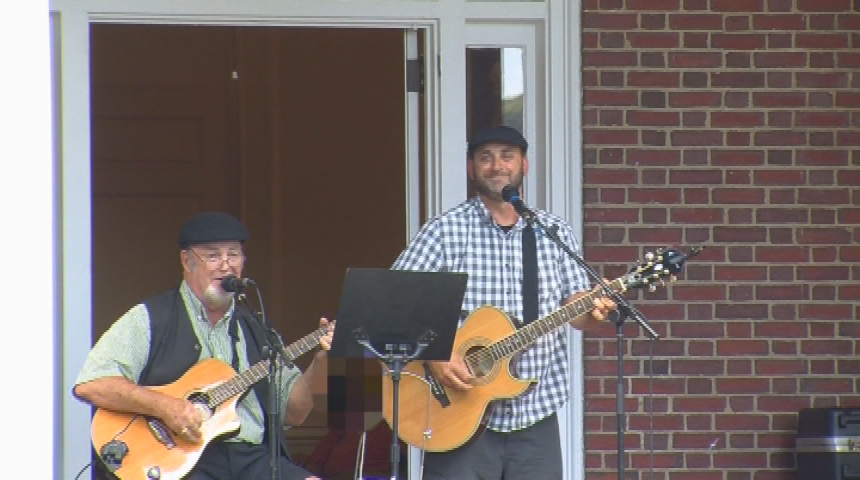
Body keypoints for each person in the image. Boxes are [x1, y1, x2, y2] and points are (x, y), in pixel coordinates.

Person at [391, 125, 617, 479]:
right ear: (471, 168)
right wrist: (434, 353)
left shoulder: (553, 232)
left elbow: (578, 312)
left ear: (524, 165)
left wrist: (596, 311)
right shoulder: (444, 231)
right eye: (486, 157)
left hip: (534, 413)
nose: (497, 165)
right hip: (456, 411)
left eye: (507, 156)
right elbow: (390, 302)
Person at [75, 211, 332, 480]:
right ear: (187, 261)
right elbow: (92, 384)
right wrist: (166, 407)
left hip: (252, 460)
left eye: (233, 255)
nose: (225, 265)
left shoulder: (257, 327)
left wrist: (321, 360)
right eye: (212, 256)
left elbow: (295, 413)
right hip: (183, 461)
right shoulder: (150, 318)